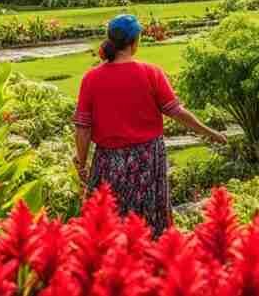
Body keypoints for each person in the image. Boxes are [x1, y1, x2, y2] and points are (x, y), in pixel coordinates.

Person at [73, 14, 226, 236]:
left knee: (106, 222)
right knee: (150, 220)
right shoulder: (151, 73)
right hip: (148, 158)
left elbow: (83, 127)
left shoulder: (92, 79)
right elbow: (176, 111)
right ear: (135, 42)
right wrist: (209, 132)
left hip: (108, 161)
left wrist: (82, 161)